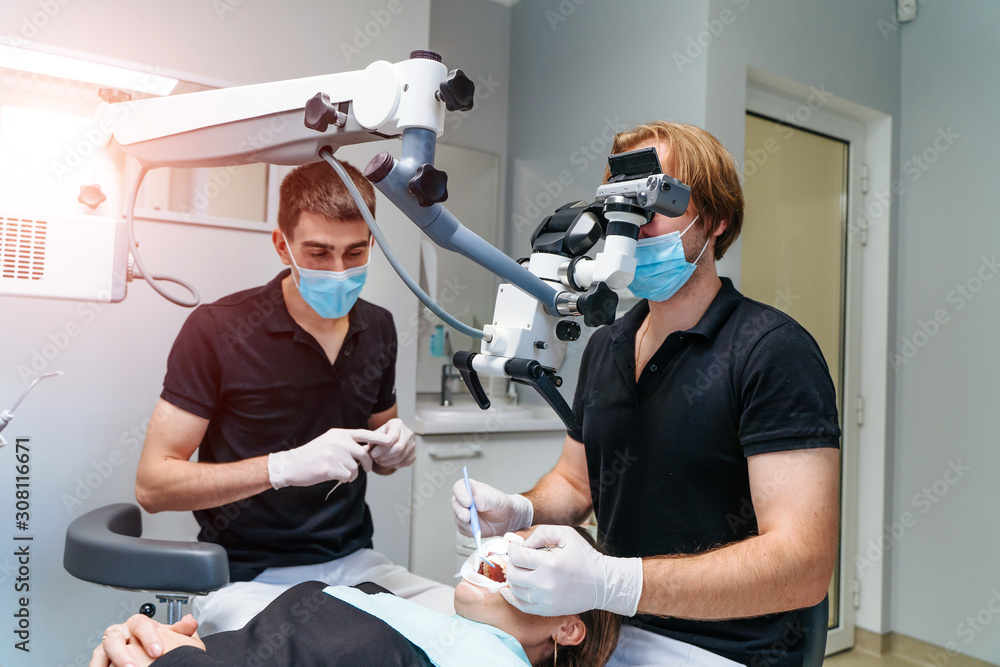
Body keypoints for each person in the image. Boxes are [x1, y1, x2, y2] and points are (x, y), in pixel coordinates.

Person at [452, 121, 841, 667]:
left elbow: (802, 565)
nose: (630, 225)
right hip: (610, 632)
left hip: (725, 648)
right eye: (618, 206)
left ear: (716, 219)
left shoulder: (772, 351)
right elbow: (575, 482)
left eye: (651, 201)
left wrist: (617, 581)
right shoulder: (608, 344)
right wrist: (518, 510)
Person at [135, 160, 453, 635]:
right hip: (251, 577)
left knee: (476, 627)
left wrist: (395, 451)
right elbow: (153, 487)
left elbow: (380, 452)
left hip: (358, 566)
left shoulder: (379, 327)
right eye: (319, 253)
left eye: (356, 252)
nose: (339, 271)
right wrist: (281, 469)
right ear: (283, 245)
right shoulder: (218, 330)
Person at [90, 528, 622, 667]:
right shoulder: (426, 627)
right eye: (515, 544)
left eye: (536, 560)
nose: (509, 552)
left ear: (567, 628)